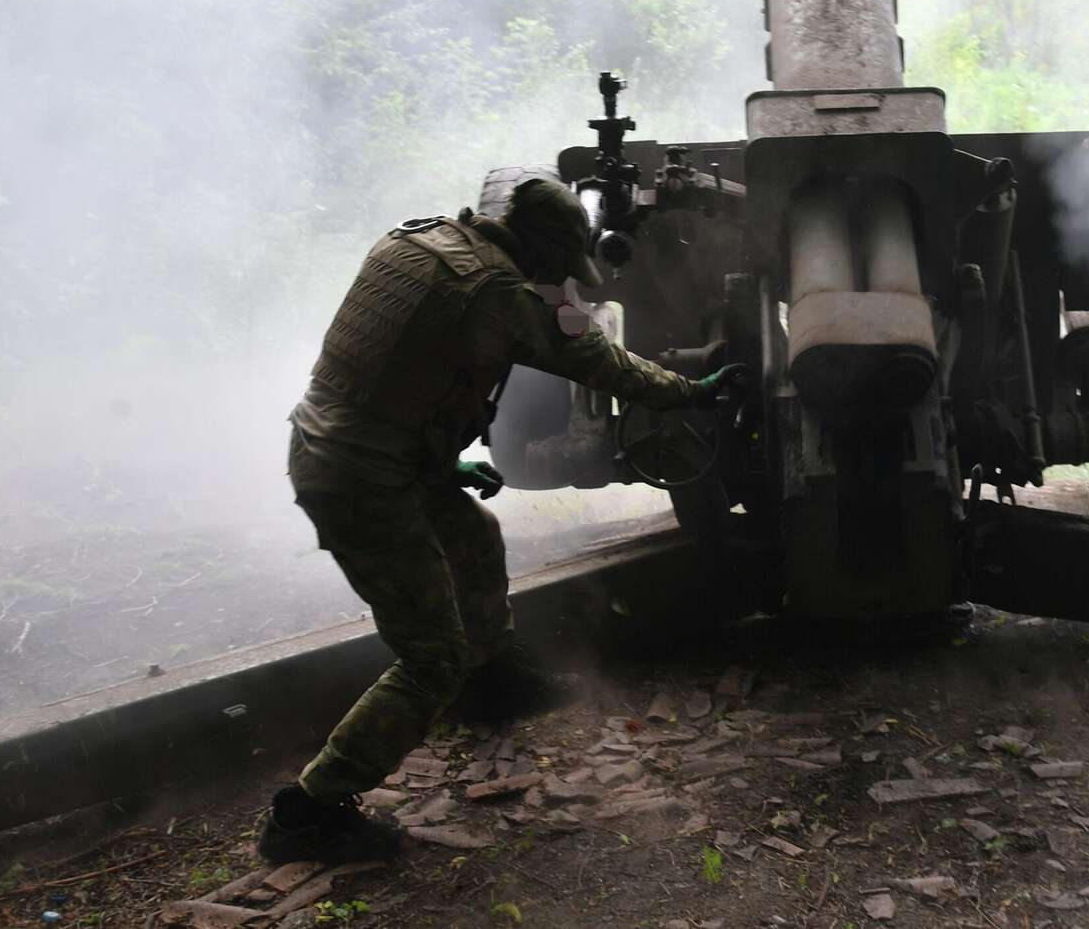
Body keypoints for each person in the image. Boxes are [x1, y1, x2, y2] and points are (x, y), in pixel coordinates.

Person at [259, 176, 745, 865]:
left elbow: (387, 372)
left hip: (346, 448)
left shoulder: (417, 240)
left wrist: (440, 464)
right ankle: (308, 813)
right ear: (543, 251)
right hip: (363, 480)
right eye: (558, 269)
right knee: (431, 659)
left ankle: (493, 682)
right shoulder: (499, 296)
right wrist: (690, 392)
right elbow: (599, 362)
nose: (557, 283)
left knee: (475, 536)